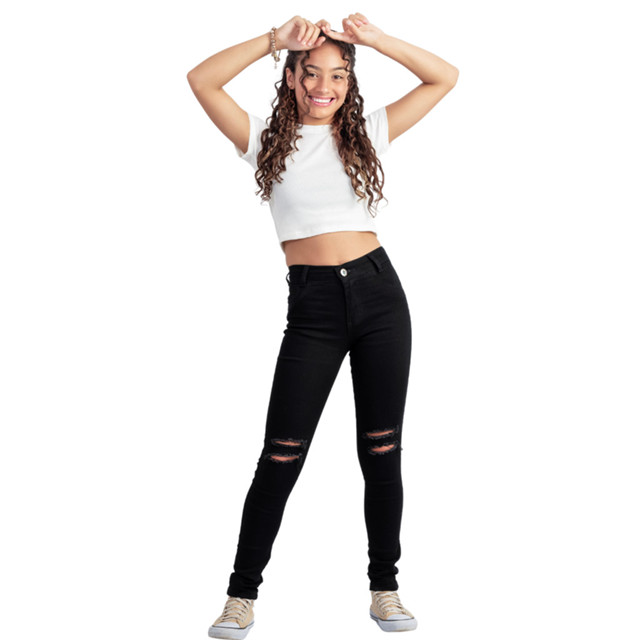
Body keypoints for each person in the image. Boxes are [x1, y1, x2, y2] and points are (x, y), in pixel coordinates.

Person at [187, 12, 458, 638]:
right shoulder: (262, 140)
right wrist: (273, 39)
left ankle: (385, 589)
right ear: (290, 77)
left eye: (338, 75)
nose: (324, 86)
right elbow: (201, 80)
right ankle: (240, 597)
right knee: (280, 454)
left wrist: (376, 41)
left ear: (350, 82)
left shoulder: (368, 132)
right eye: (311, 72)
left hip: (379, 295)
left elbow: (444, 77)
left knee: (381, 449)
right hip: (312, 308)